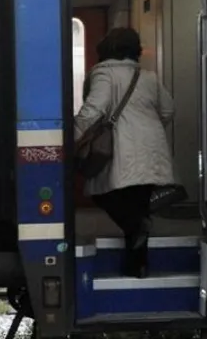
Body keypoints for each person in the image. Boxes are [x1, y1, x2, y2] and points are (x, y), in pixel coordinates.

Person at [74, 26, 175, 278]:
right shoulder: (148, 76)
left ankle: (136, 235)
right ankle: (138, 267)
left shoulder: (104, 73)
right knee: (138, 207)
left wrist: (70, 137)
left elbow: (94, 109)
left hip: (123, 148)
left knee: (102, 195)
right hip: (151, 147)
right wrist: (147, 130)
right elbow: (168, 110)